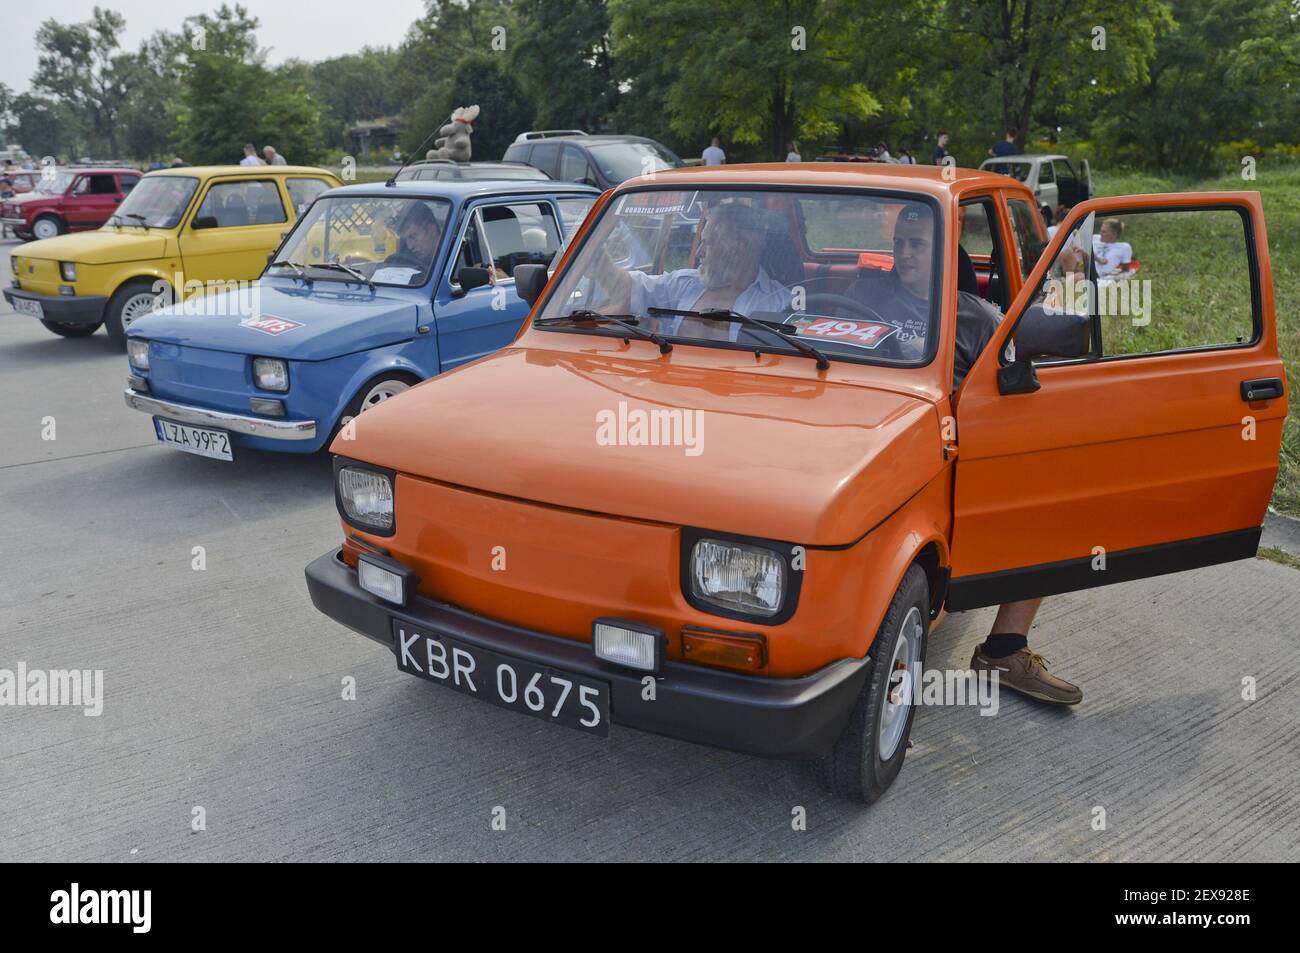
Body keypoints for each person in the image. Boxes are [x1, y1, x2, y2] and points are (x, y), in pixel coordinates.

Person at [845, 204, 1083, 705]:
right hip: (852, 427)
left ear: (943, 255)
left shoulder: (973, 316)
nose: (906, 254)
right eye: (900, 245)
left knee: (1048, 513)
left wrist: (1073, 281)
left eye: (918, 245)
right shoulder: (861, 294)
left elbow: (1050, 346)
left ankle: (1003, 650)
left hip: (944, 450)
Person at [590, 202, 790, 339]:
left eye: (708, 243)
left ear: (738, 249)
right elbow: (627, 288)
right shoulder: (684, 284)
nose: (698, 252)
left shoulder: (779, 302)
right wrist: (596, 255)